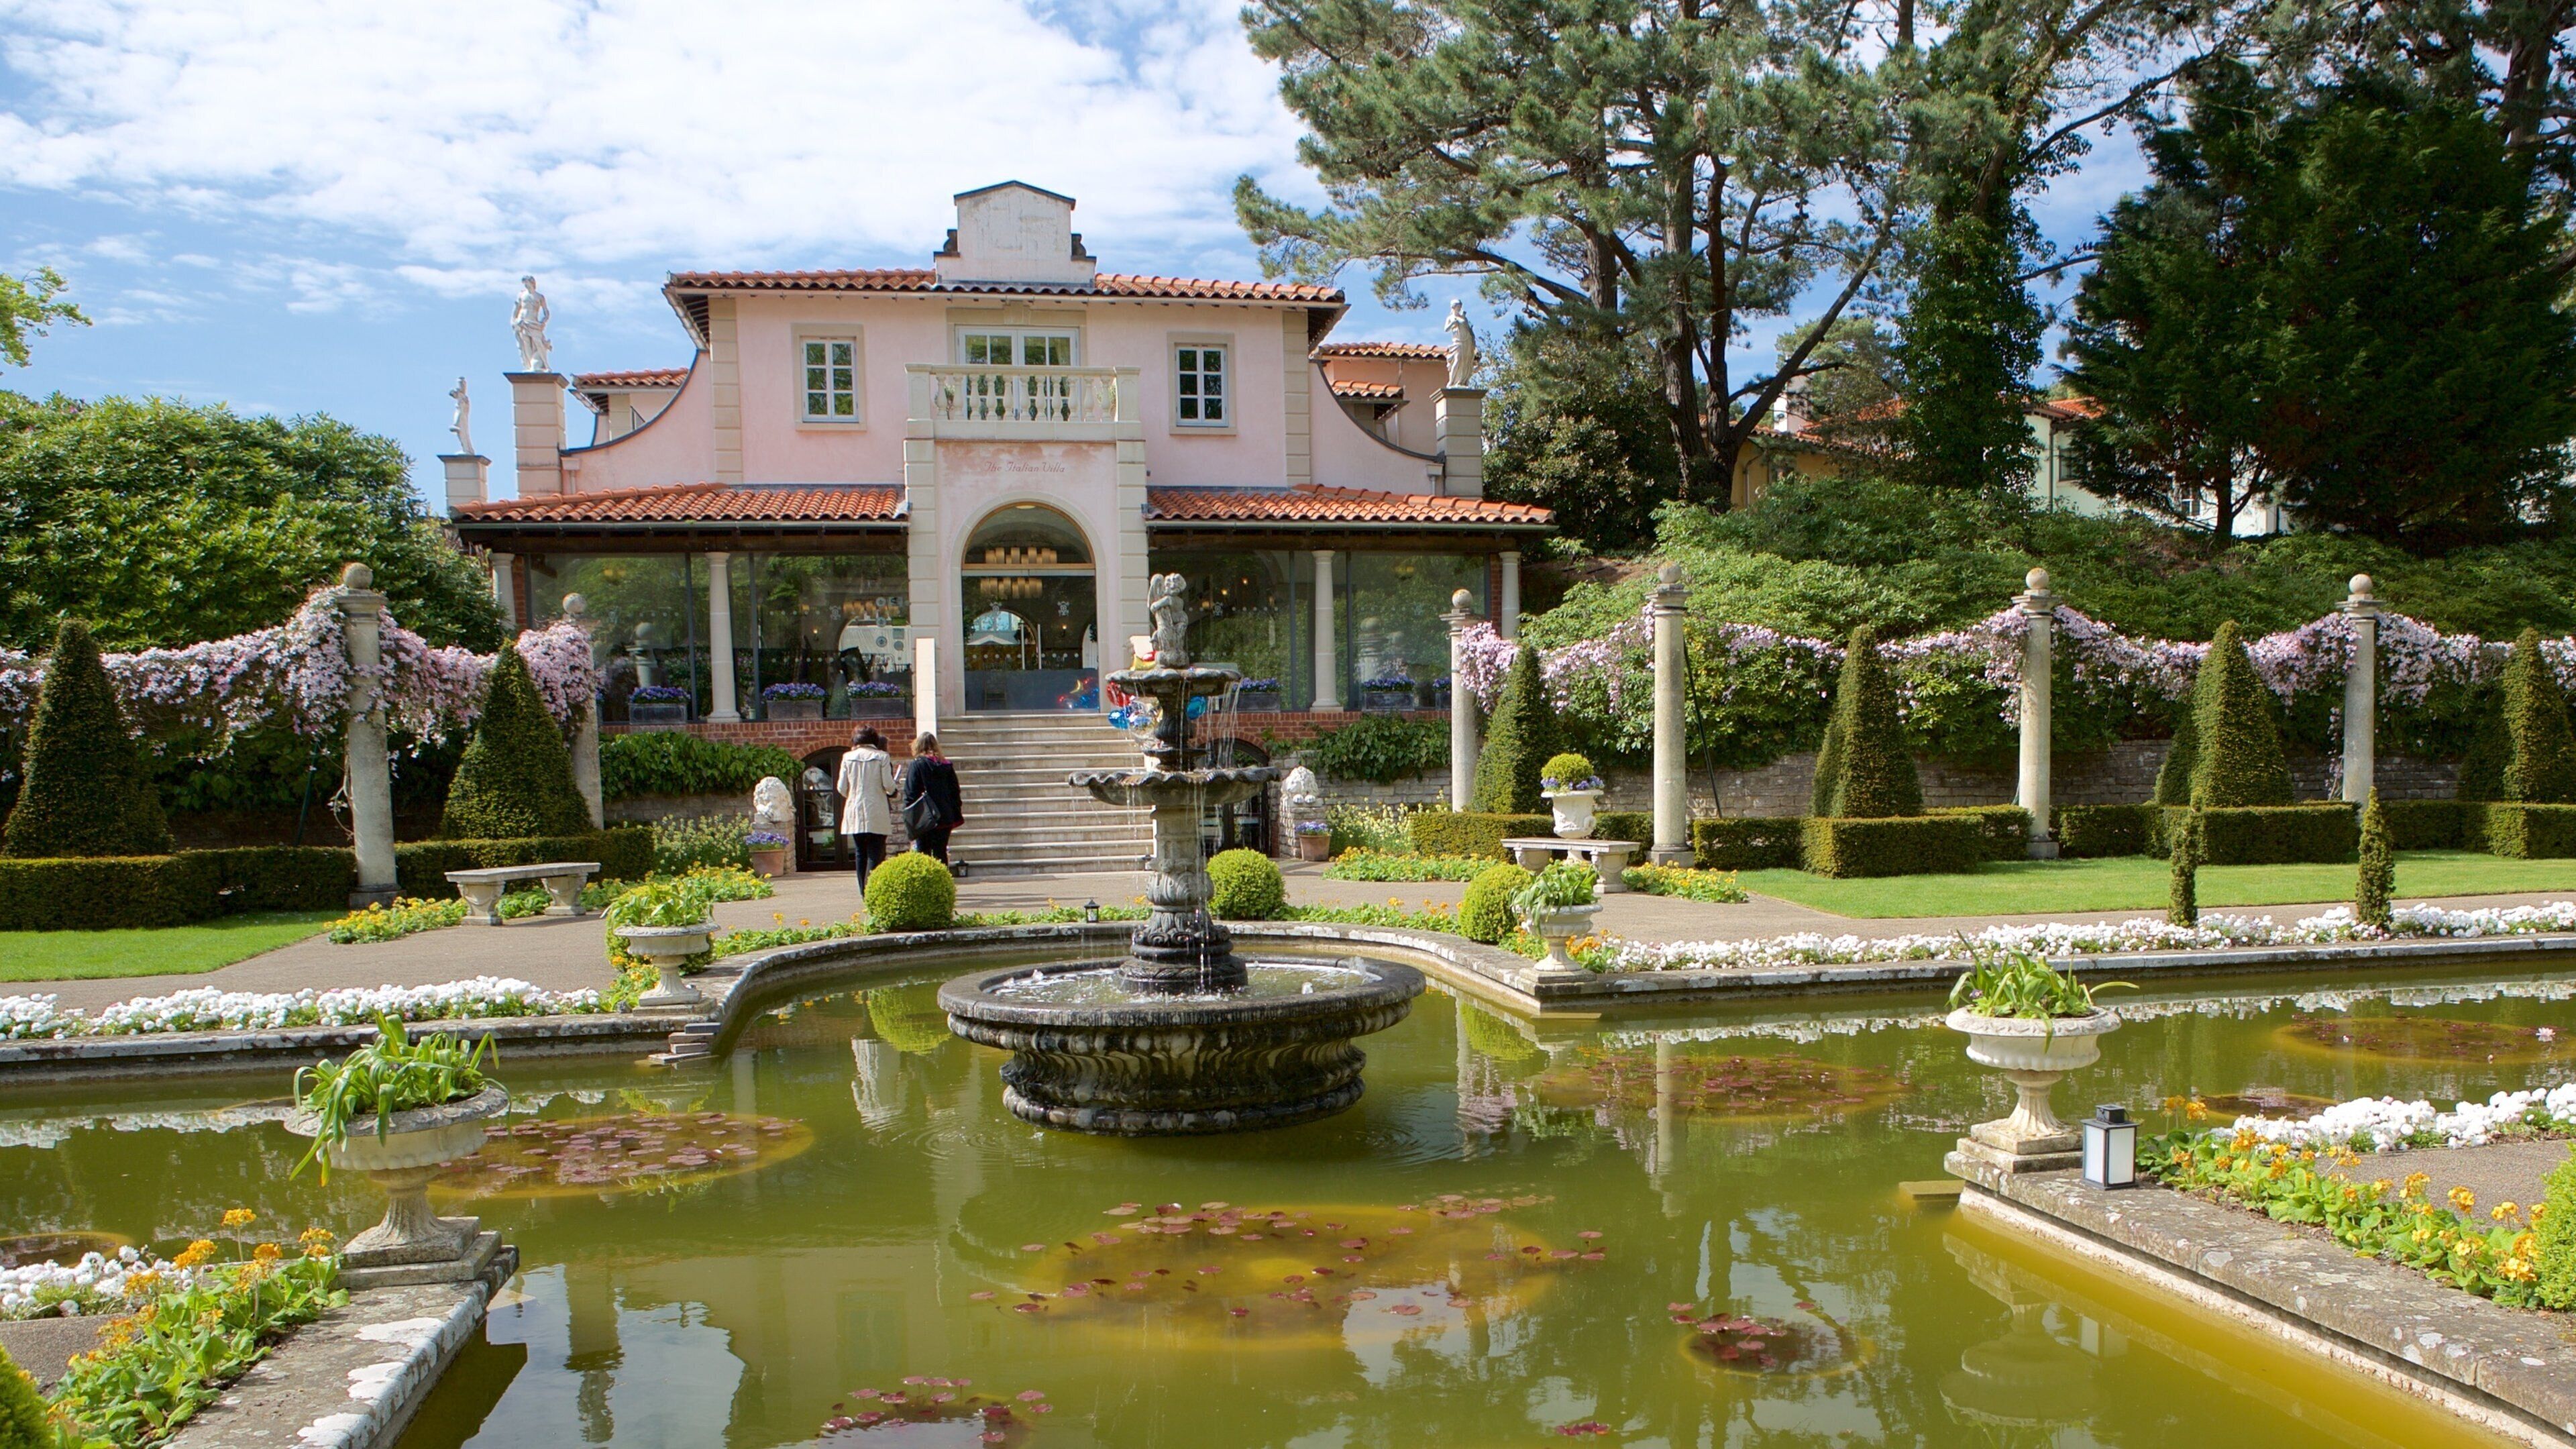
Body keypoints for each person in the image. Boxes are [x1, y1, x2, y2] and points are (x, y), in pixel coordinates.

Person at [835, 727, 898, 892]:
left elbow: (841, 788)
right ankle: (872, 891)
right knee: (875, 852)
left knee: (860, 852)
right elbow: (889, 786)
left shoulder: (847, 757)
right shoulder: (882, 757)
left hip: (855, 810)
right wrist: (892, 790)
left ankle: (863, 891)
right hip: (876, 809)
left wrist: (854, 794)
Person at [901, 731, 964, 866]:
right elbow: (955, 791)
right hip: (945, 816)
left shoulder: (917, 765)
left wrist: (909, 817)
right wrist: (954, 813)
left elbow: (911, 792)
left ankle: (928, 884)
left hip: (925, 816)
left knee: (924, 852)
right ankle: (942, 882)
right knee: (941, 852)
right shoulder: (947, 766)